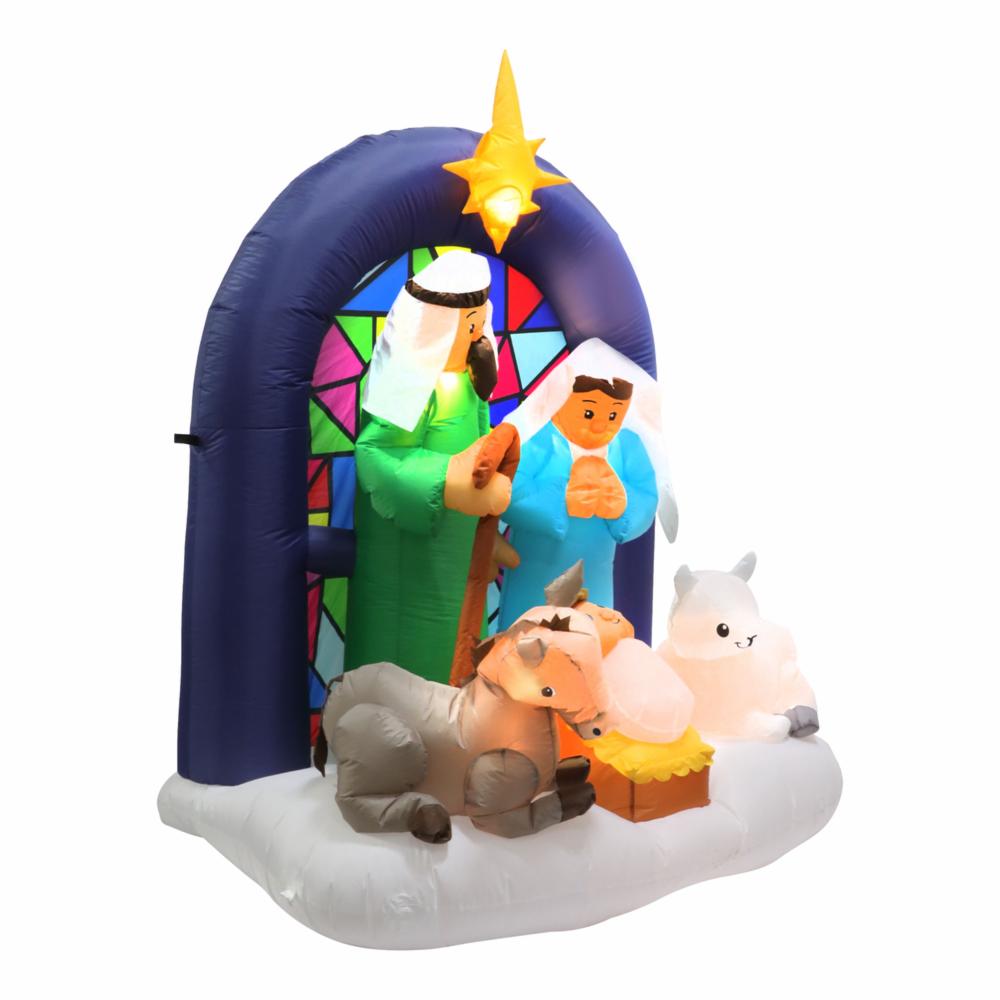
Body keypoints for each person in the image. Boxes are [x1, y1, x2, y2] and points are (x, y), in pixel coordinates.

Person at [343, 251, 516, 682]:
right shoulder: (406, 382)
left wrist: (485, 532)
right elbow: (377, 456)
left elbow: (479, 449)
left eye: (480, 324)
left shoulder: (467, 382)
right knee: (410, 660)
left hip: (459, 552)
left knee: (458, 646)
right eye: (469, 327)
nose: (479, 338)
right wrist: (450, 482)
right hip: (411, 555)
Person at [497, 339, 676, 628]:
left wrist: (622, 505)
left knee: (590, 634)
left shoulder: (627, 447)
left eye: (613, 415)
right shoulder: (540, 439)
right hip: (536, 576)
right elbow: (509, 490)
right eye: (589, 413)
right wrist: (561, 499)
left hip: (595, 575)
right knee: (527, 636)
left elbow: (646, 495)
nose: (600, 425)